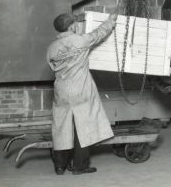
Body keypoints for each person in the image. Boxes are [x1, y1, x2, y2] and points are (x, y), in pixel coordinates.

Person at [46, 11, 118, 175]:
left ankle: (59, 165)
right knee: (83, 126)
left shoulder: (51, 48)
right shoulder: (80, 41)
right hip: (81, 88)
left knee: (62, 126)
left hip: (61, 90)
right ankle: (80, 165)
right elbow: (98, 34)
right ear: (72, 26)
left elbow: (52, 67)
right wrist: (110, 21)